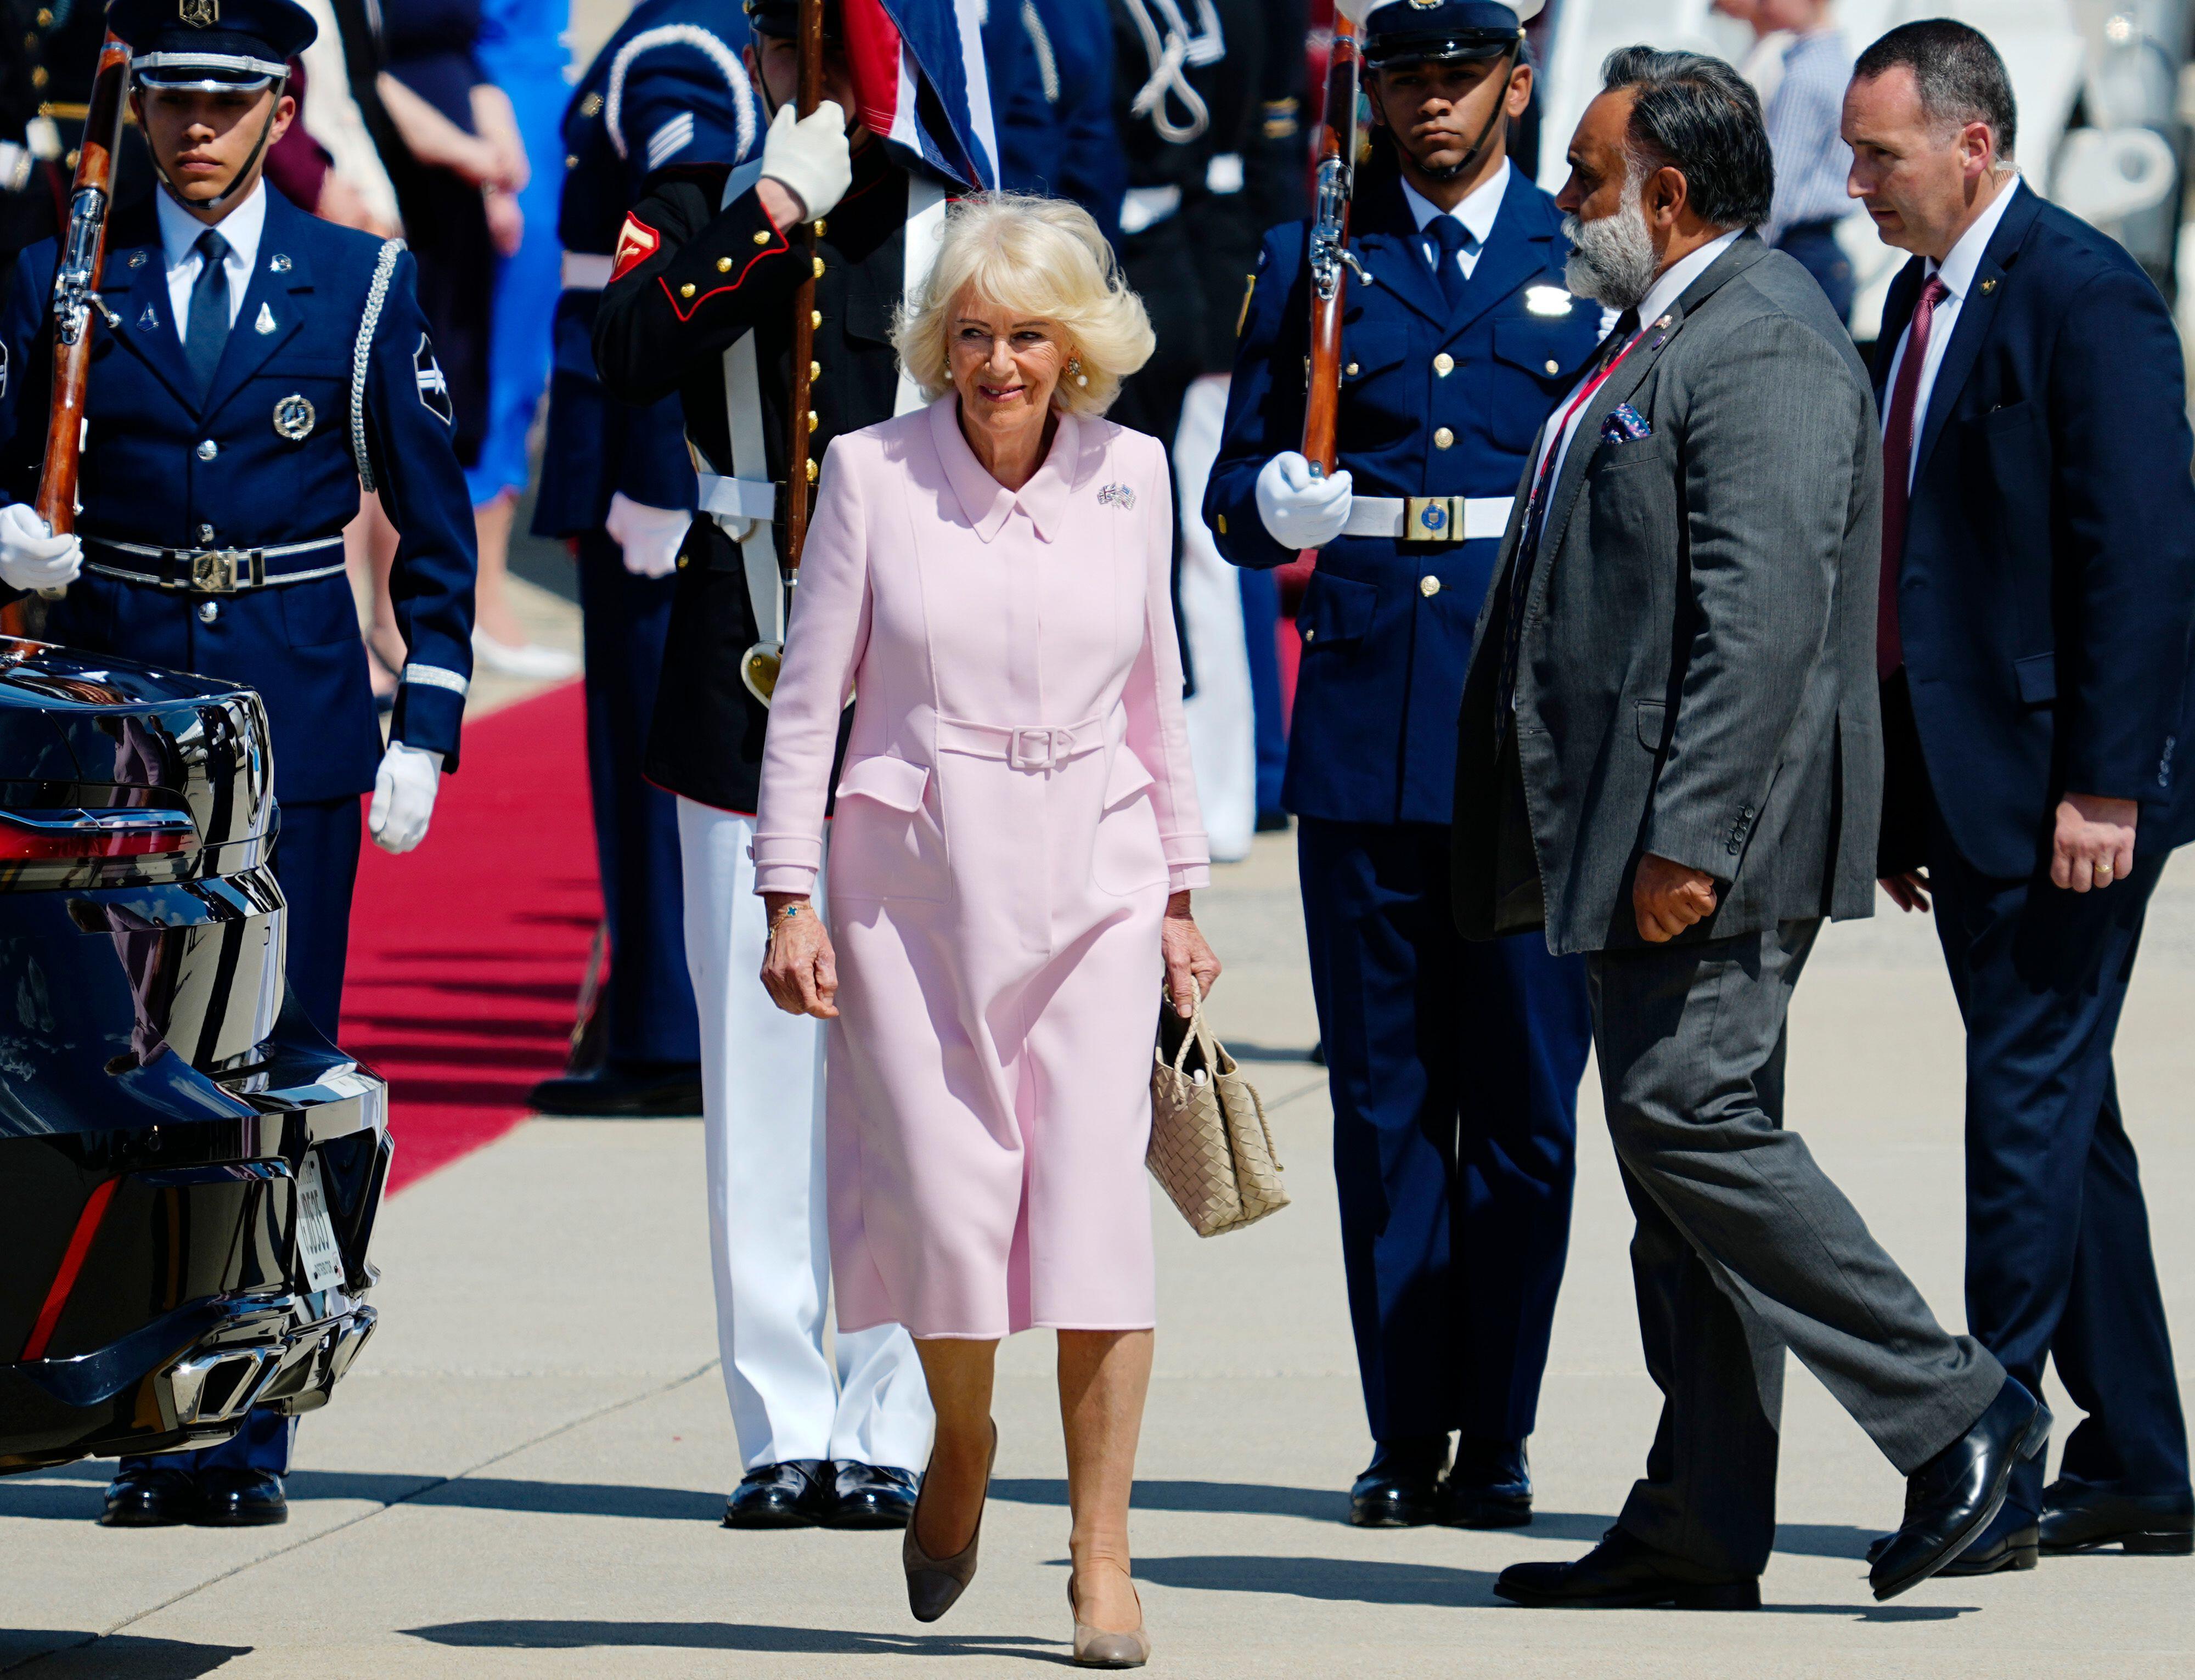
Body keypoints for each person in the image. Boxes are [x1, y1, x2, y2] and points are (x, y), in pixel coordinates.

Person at [1450, 45, 2036, 1609]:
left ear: (1666, 192)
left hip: (1713, 833)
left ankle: (1962, 1410)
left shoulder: (1759, 339)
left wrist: (1692, 836)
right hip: (1633, 832)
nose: (1562, 204)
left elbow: (1762, 621)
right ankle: (1702, 1511)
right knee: (1672, 1162)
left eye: (1581, 178)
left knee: (1688, 1116)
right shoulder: (1659, 331)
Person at [0, 0, 475, 1527]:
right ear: (136, 110)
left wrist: (429, 726)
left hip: (292, 718)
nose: (193, 132)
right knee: (137, 1087)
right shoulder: (61, 282)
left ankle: (245, 1426)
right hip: (119, 733)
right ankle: (155, 1415)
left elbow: (439, 536)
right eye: (171, 104)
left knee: (276, 1067)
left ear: (284, 106)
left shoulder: (359, 284)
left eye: (226, 103)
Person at [752, 190, 1214, 1668]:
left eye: (1026, 335)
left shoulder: (1137, 476)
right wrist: (787, 890)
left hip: (1096, 881)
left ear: (1076, 346)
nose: (998, 364)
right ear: (937, 343)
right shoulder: (871, 475)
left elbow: (1160, 701)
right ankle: (963, 1436)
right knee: (951, 1226)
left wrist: (1186, 897)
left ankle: (1099, 1553)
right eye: (971, 334)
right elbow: (809, 698)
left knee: (1091, 1225)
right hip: (910, 892)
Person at [1205, 0, 1598, 1533]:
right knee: (1383, 1106)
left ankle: (1495, 1430)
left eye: (1459, 77)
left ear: (1514, 82)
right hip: (1366, 728)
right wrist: (1273, 501)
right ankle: (1402, 1429)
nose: (1431, 105)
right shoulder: (1318, 258)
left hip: (1522, 732)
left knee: (1522, 1106)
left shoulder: (1577, 256)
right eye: (1406, 79)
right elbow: (1237, 485)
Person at [589, 0, 947, 1530]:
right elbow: (628, 349)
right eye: (779, 47)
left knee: (900, 1063)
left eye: (822, 44)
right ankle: (779, 1413)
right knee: (759, 1063)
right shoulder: (704, 204)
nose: (802, 74)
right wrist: (770, 206)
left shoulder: (948, 219)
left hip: (911, 668)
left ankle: (890, 1406)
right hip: (741, 637)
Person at [1847, 19, 2195, 1570]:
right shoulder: (1917, 301)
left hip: (2073, 794)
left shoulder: (2083, 291)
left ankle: (1987, 1440)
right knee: (2068, 1117)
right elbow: (1929, 566)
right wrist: (1910, 798)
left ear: (1972, 142)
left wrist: (2106, 787)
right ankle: (2139, 1454)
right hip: (1974, 786)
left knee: (2025, 1103)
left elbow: (2143, 560)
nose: (1856, 181)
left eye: (1881, 153)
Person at [528, 0, 761, 1120]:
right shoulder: (701, 33)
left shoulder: (675, 48)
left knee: (647, 760)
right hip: (636, 442)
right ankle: (660, 1016)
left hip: (644, 456)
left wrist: (660, 481)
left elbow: (685, 269)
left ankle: (666, 1031)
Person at [1752, 0, 1859, 323]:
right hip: (1819, 255)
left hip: (1798, 254)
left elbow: (1777, 185)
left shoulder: (1805, 76)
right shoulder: (1840, 63)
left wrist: (1746, 259)